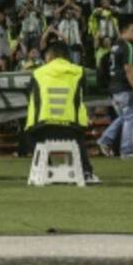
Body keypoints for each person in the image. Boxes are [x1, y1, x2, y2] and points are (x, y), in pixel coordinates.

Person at [24, 40, 98, 183]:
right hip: (71, 129)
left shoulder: (37, 73)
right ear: (66, 56)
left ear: (50, 56)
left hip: (42, 129)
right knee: (79, 139)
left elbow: (30, 96)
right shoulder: (79, 72)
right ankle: (86, 172)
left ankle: (46, 170)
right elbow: (85, 95)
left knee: (29, 135)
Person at [97, 18, 133, 159]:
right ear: (123, 31)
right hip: (124, 87)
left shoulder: (115, 46)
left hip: (114, 87)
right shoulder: (127, 46)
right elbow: (129, 69)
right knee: (130, 118)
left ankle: (105, 140)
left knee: (124, 117)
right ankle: (126, 150)